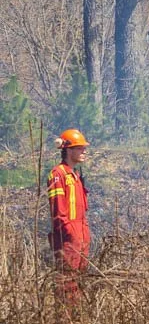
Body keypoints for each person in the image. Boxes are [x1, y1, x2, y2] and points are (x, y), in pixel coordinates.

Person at [47, 128, 91, 305]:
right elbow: (58, 212)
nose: (84, 151)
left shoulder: (76, 176)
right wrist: (69, 233)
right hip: (68, 238)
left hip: (81, 235)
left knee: (79, 281)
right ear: (68, 150)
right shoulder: (58, 174)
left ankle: (77, 322)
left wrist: (84, 234)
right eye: (79, 148)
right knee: (67, 282)